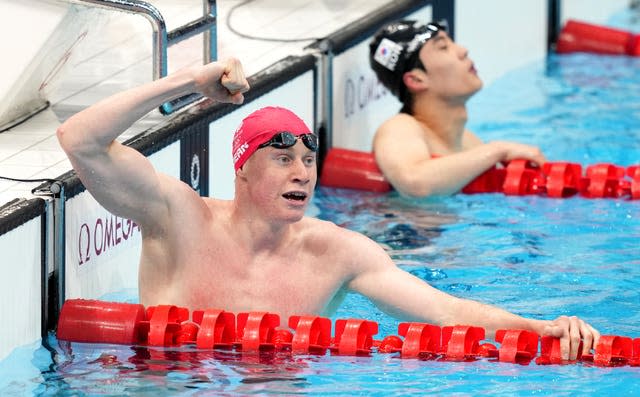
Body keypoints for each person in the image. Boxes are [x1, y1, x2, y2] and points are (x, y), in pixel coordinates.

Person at [57, 57, 598, 360]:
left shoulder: (337, 251)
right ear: (241, 168)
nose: (303, 173)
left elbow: (445, 313)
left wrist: (538, 326)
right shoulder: (176, 217)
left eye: (309, 161)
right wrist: (188, 83)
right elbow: (78, 138)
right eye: (283, 158)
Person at [369, 20, 547, 197]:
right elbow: (415, 183)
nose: (463, 51)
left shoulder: (470, 142)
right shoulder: (400, 128)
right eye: (443, 47)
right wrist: (498, 150)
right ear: (416, 80)